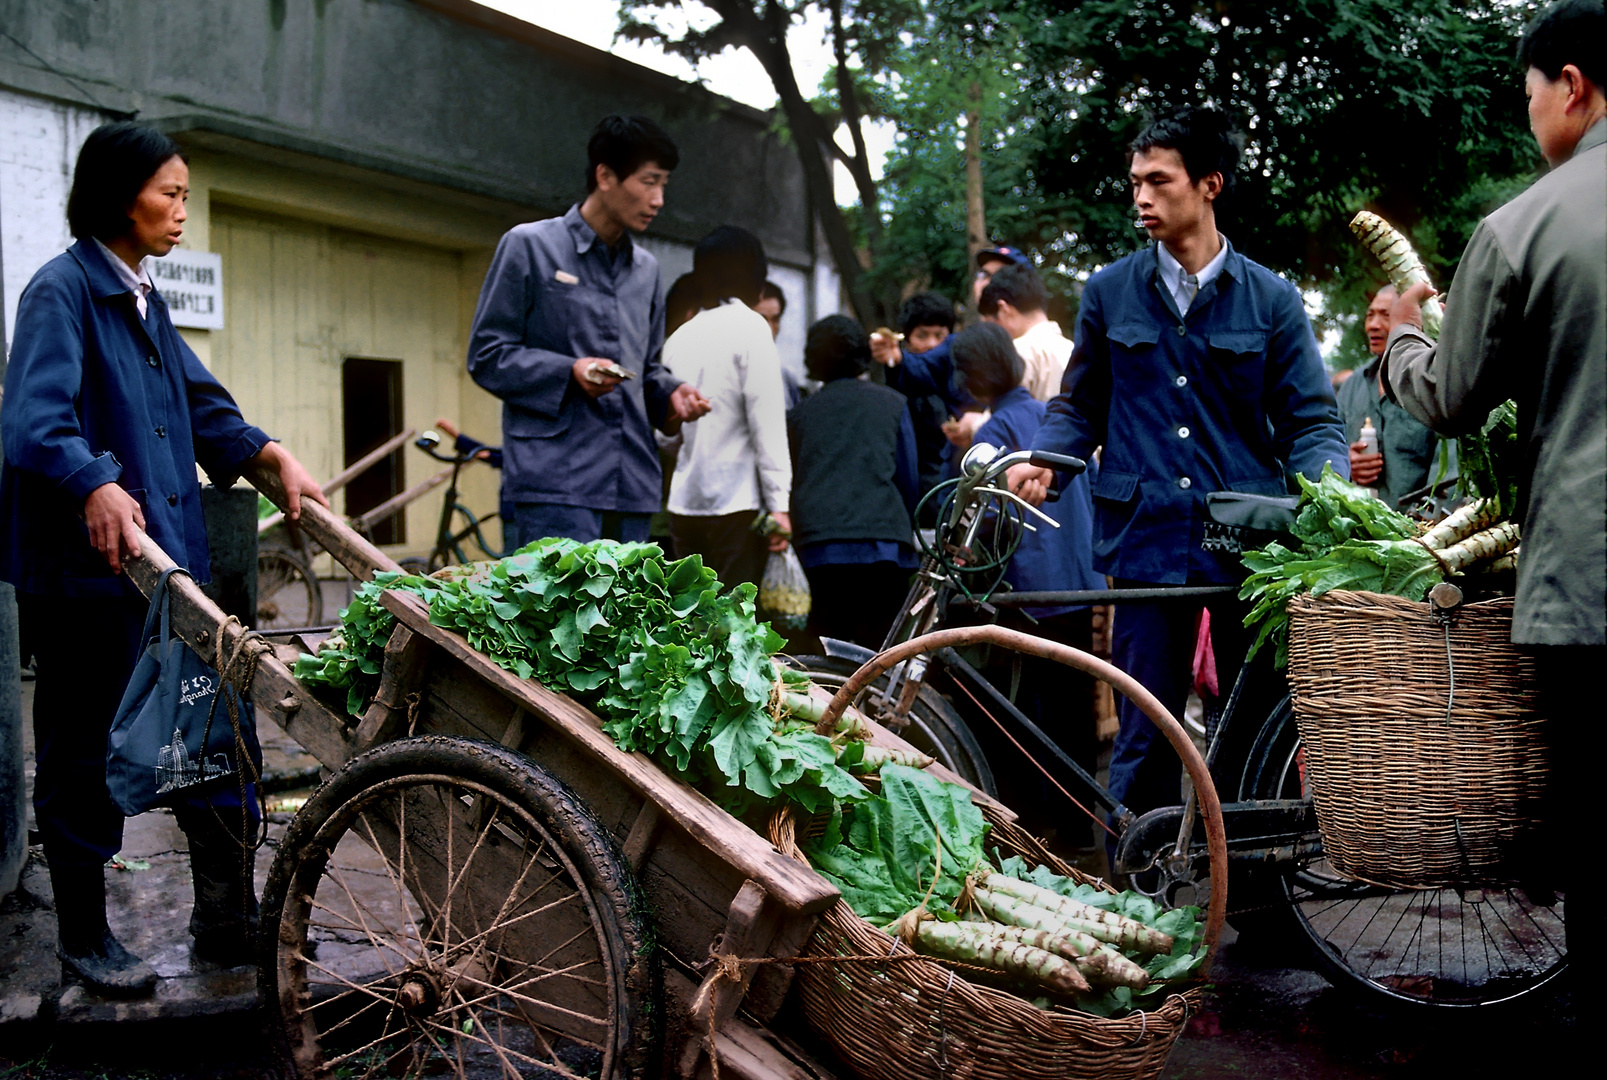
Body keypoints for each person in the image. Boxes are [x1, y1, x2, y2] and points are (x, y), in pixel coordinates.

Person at [0, 122, 326, 995]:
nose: (183, 210)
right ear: (118, 195)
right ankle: (83, 935)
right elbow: (34, 423)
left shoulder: (144, 298)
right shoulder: (60, 294)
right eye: (170, 193)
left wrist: (267, 452)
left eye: (184, 194)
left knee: (212, 733)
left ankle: (225, 923)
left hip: (168, 570)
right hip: (89, 579)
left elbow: (202, 407)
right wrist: (94, 482)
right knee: (82, 753)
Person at [1015, 105, 1348, 842]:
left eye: (1157, 181)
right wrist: (1046, 460)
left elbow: (1311, 421)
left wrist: (1329, 498)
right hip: (1145, 546)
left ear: (1208, 185)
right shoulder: (1108, 292)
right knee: (1143, 729)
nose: (1140, 196)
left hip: (1247, 549)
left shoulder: (1271, 297)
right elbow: (1079, 406)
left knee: (1250, 724)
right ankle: (1140, 897)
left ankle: (1259, 905)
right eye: (1134, 182)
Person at [1382, 0, 1604, 959]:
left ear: (1572, 85)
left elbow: (1453, 397)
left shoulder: (1522, 225)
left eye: (1527, 96)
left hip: (1590, 583)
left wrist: (1399, 340)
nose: (1529, 117)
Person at [466, 115, 710, 550]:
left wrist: (672, 392)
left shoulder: (647, 271)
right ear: (605, 176)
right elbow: (487, 355)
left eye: (664, 185)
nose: (658, 200)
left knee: (631, 616)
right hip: (555, 485)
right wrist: (569, 371)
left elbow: (647, 369)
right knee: (551, 617)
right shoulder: (529, 246)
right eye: (649, 182)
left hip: (631, 484)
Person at [952, 324, 1104, 828]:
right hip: (1080, 584)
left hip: (1031, 595)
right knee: (1076, 715)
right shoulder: (1051, 418)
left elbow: (983, 520)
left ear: (971, 382)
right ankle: (1083, 826)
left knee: (1026, 720)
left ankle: (1038, 832)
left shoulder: (991, 433)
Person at [662, 227, 792, 589]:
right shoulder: (751, 326)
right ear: (756, 277)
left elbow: (664, 434)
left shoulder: (678, 338)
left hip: (685, 505)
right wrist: (779, 506)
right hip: (739, 504)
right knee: (734, 627)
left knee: (690, 624)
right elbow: (766, 422)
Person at [788, 316, 920, 647]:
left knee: (826, 654)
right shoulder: (893, 403)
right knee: (881, 656)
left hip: (820, 550)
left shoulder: (800, 414)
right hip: (884, 546)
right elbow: (908, 479)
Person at [1336, 285, 1450, 509]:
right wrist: (1345, 462)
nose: (1373, 325)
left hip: (1419, 533)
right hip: (1357, 530)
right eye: (1370, 315)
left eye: (1386, 315)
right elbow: (1331, 443)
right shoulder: (1352, 386)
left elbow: (1448, 476)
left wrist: (1423, 525)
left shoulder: (1434, 382)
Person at [875, 291, 959, 501]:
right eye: (922, 335)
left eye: (939, 336)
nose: (931, 344)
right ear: (906, 338)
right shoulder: (899, 377)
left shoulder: (959, 374)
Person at [978, 262, 1074, 402]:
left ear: (1003, 309)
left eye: (992, 325)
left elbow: (1006, 417)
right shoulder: (1072, 349)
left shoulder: (1017, 353)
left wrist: (974, 423)